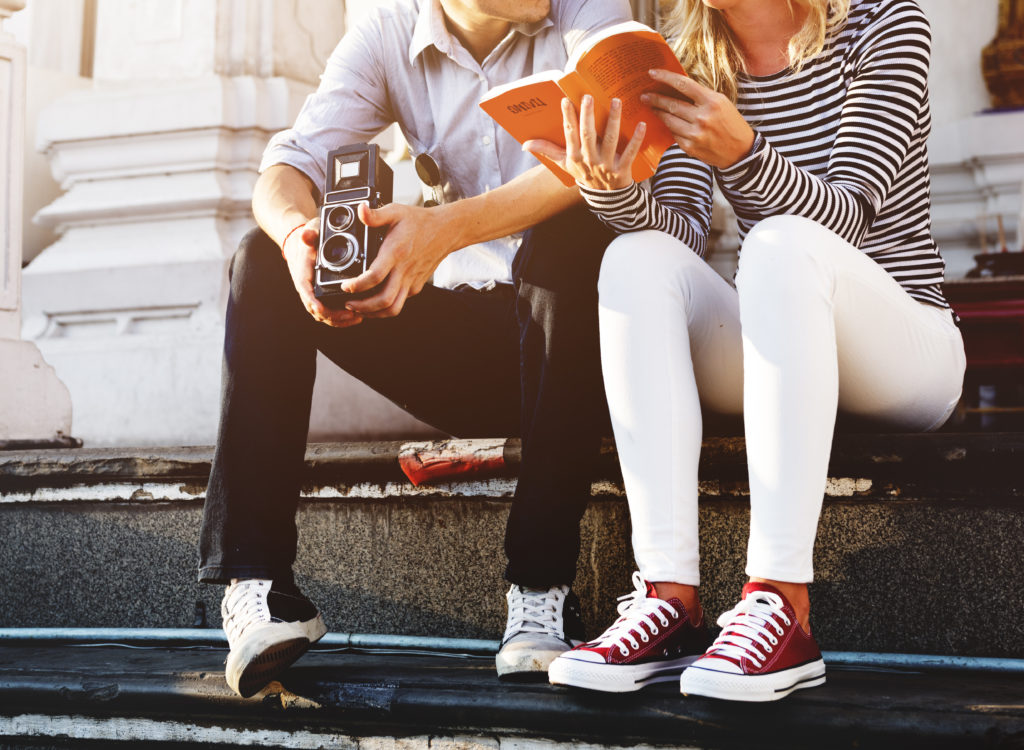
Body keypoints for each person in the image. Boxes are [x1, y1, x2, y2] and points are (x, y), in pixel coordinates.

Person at [528, 0, 965, 701]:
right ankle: (670, 599)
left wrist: (744, 153)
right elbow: (674, 232)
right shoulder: (692, 57)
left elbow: (848, 214)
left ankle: (781, 604)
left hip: (906, 351)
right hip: (785, 341)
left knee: (779, 242)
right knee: (636, 261)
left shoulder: (884, 23)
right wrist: (609, 190)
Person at [197, 0, 634, 698]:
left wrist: (442, 230)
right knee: (261, 259)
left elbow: (611, 144)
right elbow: (286, 166)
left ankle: (540, 590)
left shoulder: (586, 9)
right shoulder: (388, 33)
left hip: (596, 347)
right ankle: (261, 588)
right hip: (479, 343)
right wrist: (295, 239)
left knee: (567, 242)